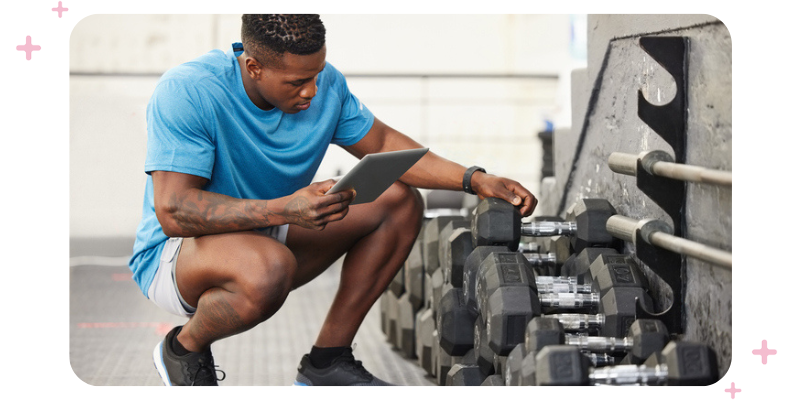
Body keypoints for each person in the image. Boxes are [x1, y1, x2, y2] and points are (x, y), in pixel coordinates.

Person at [129, 14, 537, 386]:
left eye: (317, 74)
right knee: (268, 267)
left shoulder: (325, 86)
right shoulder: (190, 91)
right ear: (254, 67)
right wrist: (284, 208)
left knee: (398, 201)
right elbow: (175, 211)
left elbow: (382, 143)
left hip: (269, 231)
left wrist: (474, 178)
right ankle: (183, 349)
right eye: (295, 83)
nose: (310, 91)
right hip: (177, 254)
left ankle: (327, 362)